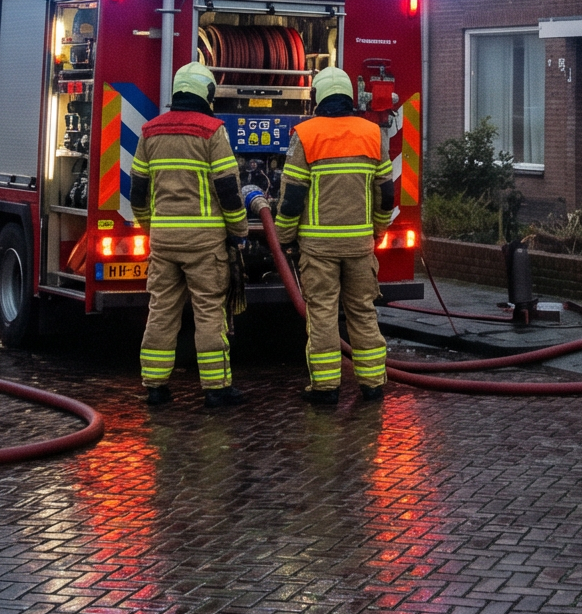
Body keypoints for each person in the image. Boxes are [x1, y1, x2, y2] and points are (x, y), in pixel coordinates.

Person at [132, 62, 251, 409]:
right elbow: (228, 189)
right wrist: (239, 231)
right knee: (209, 312)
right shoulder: (212, 131)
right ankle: (216, 388)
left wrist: (150, 227)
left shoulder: (150, 131)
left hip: (164, 241)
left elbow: (138, 192)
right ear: (207, 94)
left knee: (161, 311)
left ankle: (155, 386)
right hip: (204, 243)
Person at [278, 67, 397, 404]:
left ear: (317, 97)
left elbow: (292, 197)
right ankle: (373, 384)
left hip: (318, 248)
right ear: (349, 97)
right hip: (360, 245)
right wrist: (377, 229)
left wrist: (285, 236)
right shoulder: (373, 134)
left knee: (323, 314)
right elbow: (386, 193)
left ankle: (326, 388)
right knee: (362, 311)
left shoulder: (306, 134)